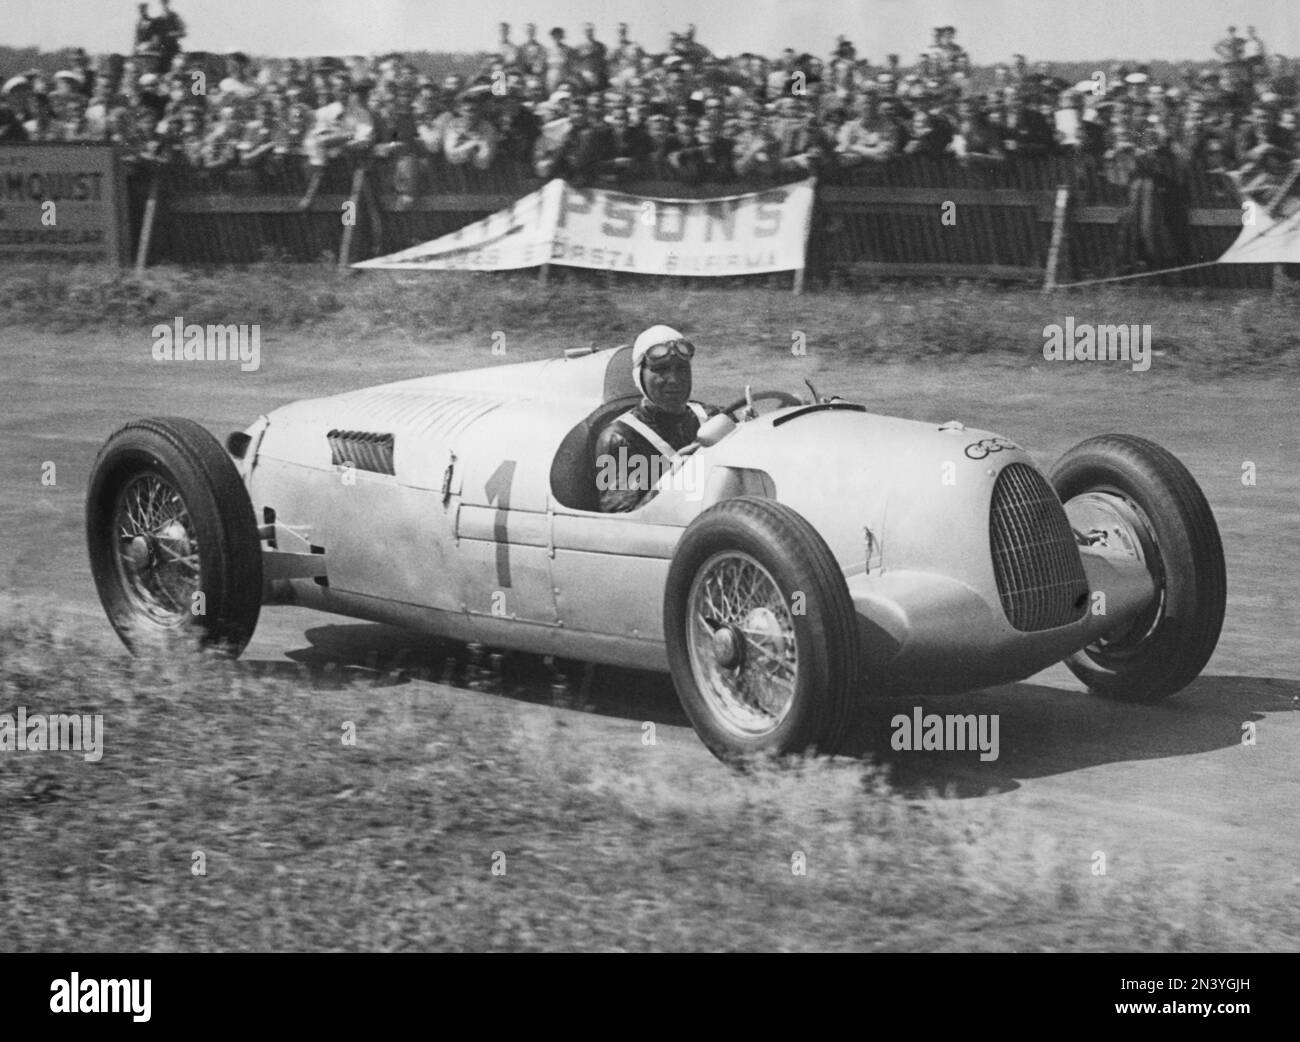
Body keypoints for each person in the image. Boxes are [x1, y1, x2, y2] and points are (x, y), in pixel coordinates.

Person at [594, 326, 710, 513]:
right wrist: (672, 478)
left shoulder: (711, 416)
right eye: (661, 370)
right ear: (640, 376)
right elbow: (619, 520)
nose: (674, 379)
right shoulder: (620, 438)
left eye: (681, 368)